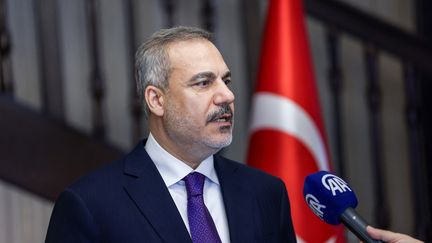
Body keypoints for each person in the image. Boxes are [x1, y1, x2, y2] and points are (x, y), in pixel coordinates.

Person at [45, 26, 297, 243]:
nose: (227, 96)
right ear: (156, 100)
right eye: (203, 83)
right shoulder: (90, 204)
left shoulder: (266, 193)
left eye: (226, 81)